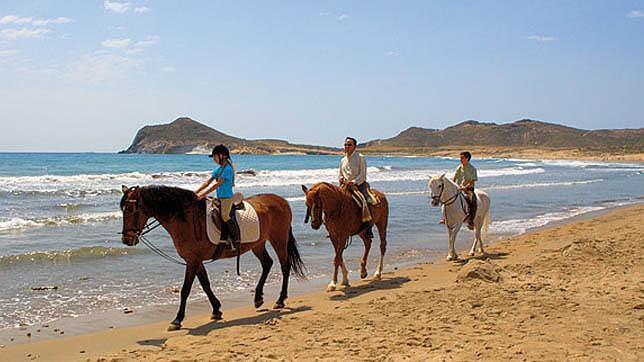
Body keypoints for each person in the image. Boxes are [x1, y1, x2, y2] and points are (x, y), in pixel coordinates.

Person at [195, 144, 239, 249]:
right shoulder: (218, 169)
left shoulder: (228, 169)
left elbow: (216, 184)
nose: (214, 159)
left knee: (225, 215)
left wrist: (203, 195)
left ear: (222, 156)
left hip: (227, 198)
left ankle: (235, 238)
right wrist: (195, 192)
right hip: (218, 197)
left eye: (215, 156)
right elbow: (208, 182)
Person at [338, 136, 374, 238]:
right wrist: (341, 179)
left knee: (366, 201)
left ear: (354, 146)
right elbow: (340, 174)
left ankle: (368, 227)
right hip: (345, 186)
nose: (347, 147)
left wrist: (354, 182)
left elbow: (362, 174)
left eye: (349, 145)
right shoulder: (342, 160)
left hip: (359, 185)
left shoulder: (360, 157)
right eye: (345, 144)